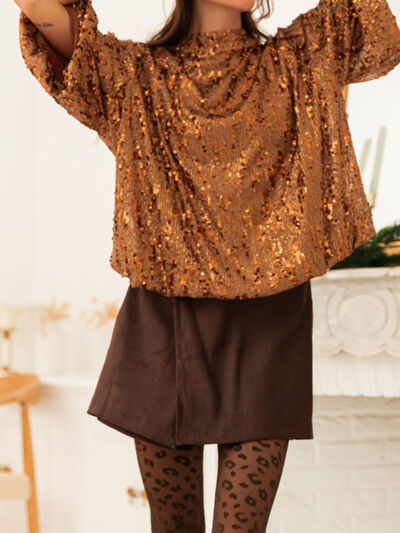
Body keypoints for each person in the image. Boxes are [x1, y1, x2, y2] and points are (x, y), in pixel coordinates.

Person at [16, 0, 400, 530]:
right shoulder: (133, 78)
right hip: (164, 330)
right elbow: (42, 12)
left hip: (269, 333)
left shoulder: (304, 56)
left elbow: (375, 34)